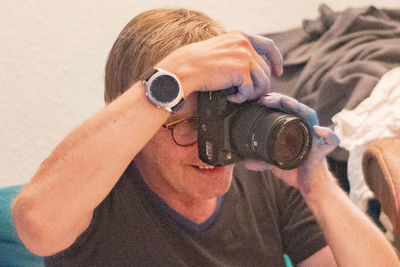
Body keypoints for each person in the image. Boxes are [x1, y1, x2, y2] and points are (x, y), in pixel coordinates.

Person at [11, 8, 399, 266]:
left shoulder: (262, 175)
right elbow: (37, 225)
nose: (213, 148)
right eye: (188, 123)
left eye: (226, 115)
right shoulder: (97, 186)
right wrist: (176, 73)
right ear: (137, 124)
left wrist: (321, 191)